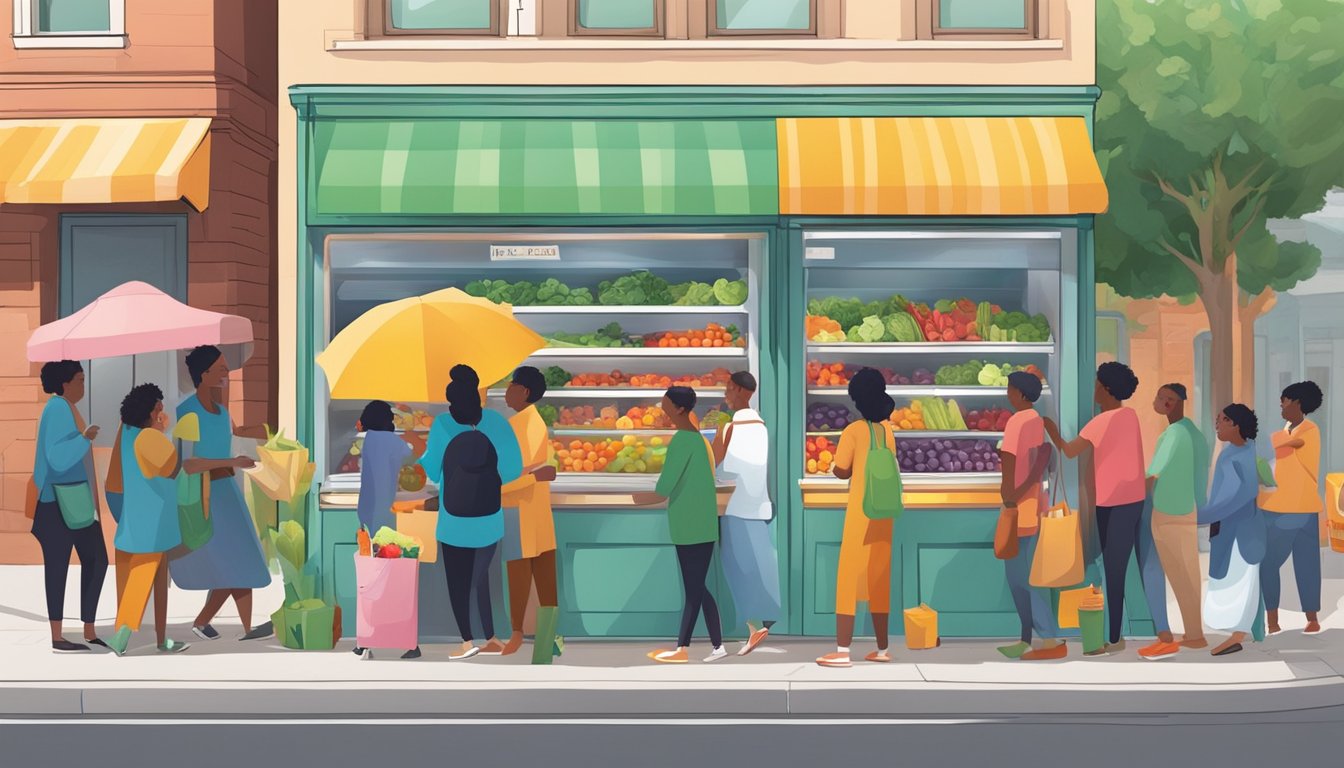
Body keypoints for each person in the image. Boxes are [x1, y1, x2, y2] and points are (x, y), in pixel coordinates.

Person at [106, 384, 248, 656]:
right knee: (143, 576)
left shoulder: (125, 433)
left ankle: (161, 639)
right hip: (154, 520)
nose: (162, 413)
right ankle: (122, 634)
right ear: (149, 413)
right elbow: (172, 467)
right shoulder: (149, 438)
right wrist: (164, 432)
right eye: (158, 409)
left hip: (133, 516)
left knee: (153, 580)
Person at [419, 365, 528, 660]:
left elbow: (432, 474)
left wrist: (422, 452)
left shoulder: (442, 424)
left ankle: (467, 642)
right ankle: (492, 637)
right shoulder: (496, 422)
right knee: (482, 579)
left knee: (458, 581)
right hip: (490, 519)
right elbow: (512, 469)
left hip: (453, 521)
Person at [170, 346, 272, 642]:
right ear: (204, 375)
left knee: (246, 558)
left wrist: (266, 433)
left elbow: (232, 436)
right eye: (221, 368)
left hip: (228, 491)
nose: (227, 373)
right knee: (235, 561)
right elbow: (188, 464)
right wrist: (232, 462)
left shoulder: (223, 412)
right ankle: (206, 621)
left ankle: (246, 627)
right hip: (205, 494)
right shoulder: (186, 413)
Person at [1044, 362, 1146, 656]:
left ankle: (1113, 638)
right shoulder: (1131, 416)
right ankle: (1113, 634)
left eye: (1098, 384)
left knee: (1112, 570)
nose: (1094, 389)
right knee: (1117, 568)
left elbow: (1069, 450)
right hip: (1133, 500)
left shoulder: (1100, 423)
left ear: (1107, 390)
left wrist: (1051, 428)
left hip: (1111, 504)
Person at [634, 386, 726, 664]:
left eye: (665, 406)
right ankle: (711, 646)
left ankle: (684, 648)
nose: (661, 411)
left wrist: (636, 499)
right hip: (701, 523)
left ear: (680, 409)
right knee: (697, 587)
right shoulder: (698, 441)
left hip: (689, 525)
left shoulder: (682, 442)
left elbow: (663, 489)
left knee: (695, 588)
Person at [816, 368, 897, 668]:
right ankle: (883, 648)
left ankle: (842, 651)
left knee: (848, 579)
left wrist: (836, 470)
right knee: (878, 579)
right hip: (884, 513)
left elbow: (841, 469)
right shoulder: (887, 430)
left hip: (861, 512)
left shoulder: (853, 431)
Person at [30, 361, 108, 653]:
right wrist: (84, 439)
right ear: (64, 383)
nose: (83, 385)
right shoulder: (57, 409)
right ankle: (58, 635)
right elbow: (58, 459)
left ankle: (88, 630)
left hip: (75, 500)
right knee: (59, 566)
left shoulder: (66, 408)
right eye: (79, 379)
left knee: (96, 560)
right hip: (57, 502)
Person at [712, 371, 781, 657]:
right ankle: (765, 620)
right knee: (760, 566)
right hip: (759, 506)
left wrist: (715, 439)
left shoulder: (730, 428)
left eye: (729, 389)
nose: (725, 394)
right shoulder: (761, 426)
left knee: (738, 568)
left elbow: (720, 467)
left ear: (742, 391)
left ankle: (754, 627)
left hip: (735, 507)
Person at [997, 372, 1063, 661]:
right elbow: (1040, 462)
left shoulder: (1016, 422)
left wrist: (1010, 496)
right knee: (1023, 576)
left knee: (1023, 578)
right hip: (1034, 506)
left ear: (1021, 394)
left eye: (1011, 389)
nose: (1008, 394)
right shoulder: (1037, 420)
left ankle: (1049, 640)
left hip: (1018, 510)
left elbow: (1009, 461)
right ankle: (1026, 638)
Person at [1140, 383, 1210, 660]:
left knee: (1179, 576)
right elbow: (1201, 476)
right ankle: (1195, 633)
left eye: (1163, 398)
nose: (1158, 402)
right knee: (1189, 573)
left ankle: (1194, 635)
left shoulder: (1174, 434)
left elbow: (1154, 473)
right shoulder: (1195, 433)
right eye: (1158, 396)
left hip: (1168, 511)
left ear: (1174, 402)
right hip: (1188, 511)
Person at [499, 366, 559, 657]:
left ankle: (520, 635)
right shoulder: (526, 422)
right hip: (534, 513)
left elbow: (513, 477)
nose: (507, 391)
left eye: (511, 386)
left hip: (521, 512)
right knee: (543, 577)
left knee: (522, 578)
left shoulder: (523, 425)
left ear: (523, 391)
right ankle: (547, 641)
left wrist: (501, 482)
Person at [1199, 404, 1267, 657]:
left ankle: (1237, 635)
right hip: (1224, 529)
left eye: (1223, 420)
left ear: (1236, 424)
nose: (1217, 424)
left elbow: (1244, 494)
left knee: (1240, 582)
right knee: (1227, 581)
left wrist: (1202, 516)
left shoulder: (1243, 455)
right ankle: (1241, 633)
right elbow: (1221, 496)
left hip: (1241, 531)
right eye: (1217, 419)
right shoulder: (1229, 453)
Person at [1260, 381, 1325, 635]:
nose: (1281, 405)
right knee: (1302, 563)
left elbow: (1285, 446)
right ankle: (1280, 619)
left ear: (1298, 403)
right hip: (1295, 508)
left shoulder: (1307, 431)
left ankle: (1301, 618)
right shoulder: (1287, 429)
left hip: (1289, 509)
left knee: (1280, 563)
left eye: (1285, 400)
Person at [355, 399, 412, 535]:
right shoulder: (391, 441)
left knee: (372, 550)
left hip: (367, 507)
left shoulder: (370, 438)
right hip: (386, 508)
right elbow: (411, 458)